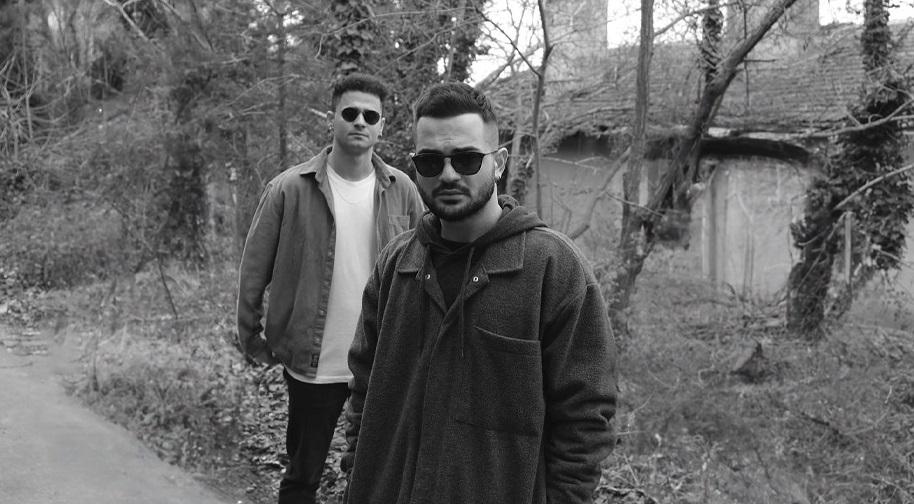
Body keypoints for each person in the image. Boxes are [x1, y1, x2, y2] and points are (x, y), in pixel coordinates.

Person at [343, 82, 618, 504]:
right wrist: (356, 474)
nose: (448, 174)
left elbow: (585, 418)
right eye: (430, 161)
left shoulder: (553, 270)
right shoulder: (396, 265)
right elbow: (364, 388)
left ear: (499, 162)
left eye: (467, 159)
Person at [236, 73, 424, 504]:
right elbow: (253, 271)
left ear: (382, 126)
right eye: (350, 112)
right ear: (332, 118)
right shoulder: (289, 189)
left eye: (370, 116)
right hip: (313, 363)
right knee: (302, 476)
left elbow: (425, 268)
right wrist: (252, 337)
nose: (360, 121)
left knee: (373, 476)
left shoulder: (403, 191)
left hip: (380, 363)